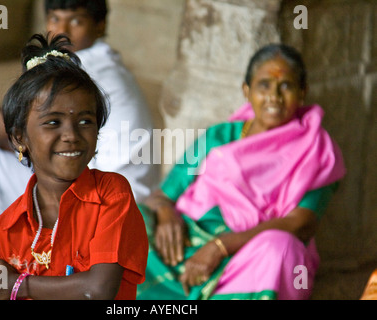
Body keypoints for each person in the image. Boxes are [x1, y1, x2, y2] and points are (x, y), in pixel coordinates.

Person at [136, 44, 346, 300]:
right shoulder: (218, 136)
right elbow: (163, 194)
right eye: (264, 85)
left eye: (286, 86)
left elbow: (300, 224)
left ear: (303, 93)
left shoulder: (317, 149)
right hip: (184, 243)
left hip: (246, 255)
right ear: (247, 91)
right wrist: (167, 215)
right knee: (126, 218)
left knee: (282, 249)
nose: (274, 97)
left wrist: (221, 246)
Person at [0, 0, 158, 234]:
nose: (63, 31)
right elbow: (9, 118)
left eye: (76, 21)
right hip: (126, 190)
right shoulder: (102, 61)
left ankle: (4, 258)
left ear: (100, 26)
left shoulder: (80, 69)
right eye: (55, 19)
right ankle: (7, 253)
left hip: (109, 201)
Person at [0, 34, 148, 300]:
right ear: (20, 138)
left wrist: (19, 285)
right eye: (53, 122)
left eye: (85, 121)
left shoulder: (111, 194)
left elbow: (98, 290)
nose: (71, 135)